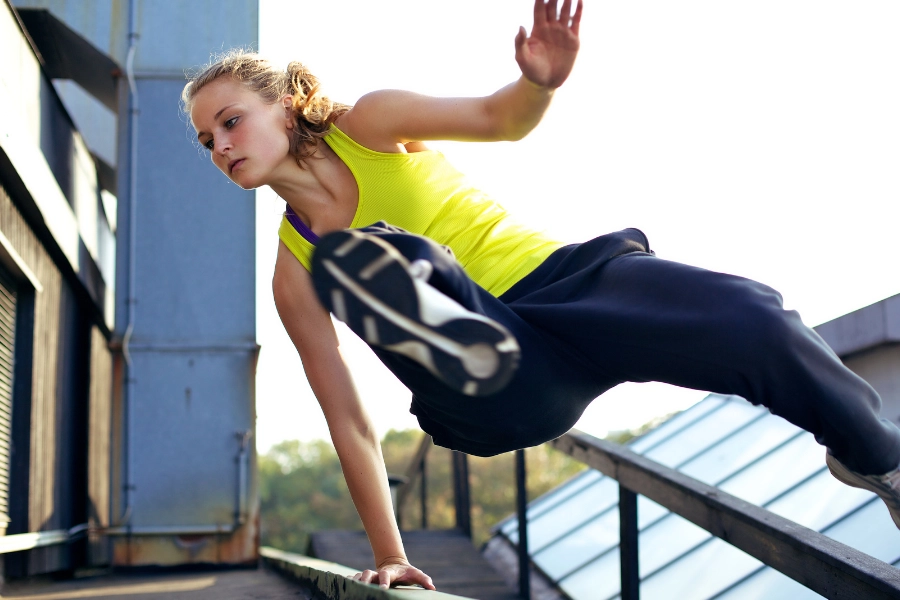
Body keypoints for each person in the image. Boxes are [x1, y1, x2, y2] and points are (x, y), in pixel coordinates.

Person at [182, 0, 900, 590]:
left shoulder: (370, 123)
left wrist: (539, 86)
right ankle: (441, 323)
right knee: (388, 262)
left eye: (230, 121)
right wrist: (392, 552)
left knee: (751, 316)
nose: (218, 148)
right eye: (205, 140)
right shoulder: (294, 271)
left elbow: (501, 119)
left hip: (571, 286)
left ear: (283, 105)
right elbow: (348, 420)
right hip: (501, 377)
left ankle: (876, 455)